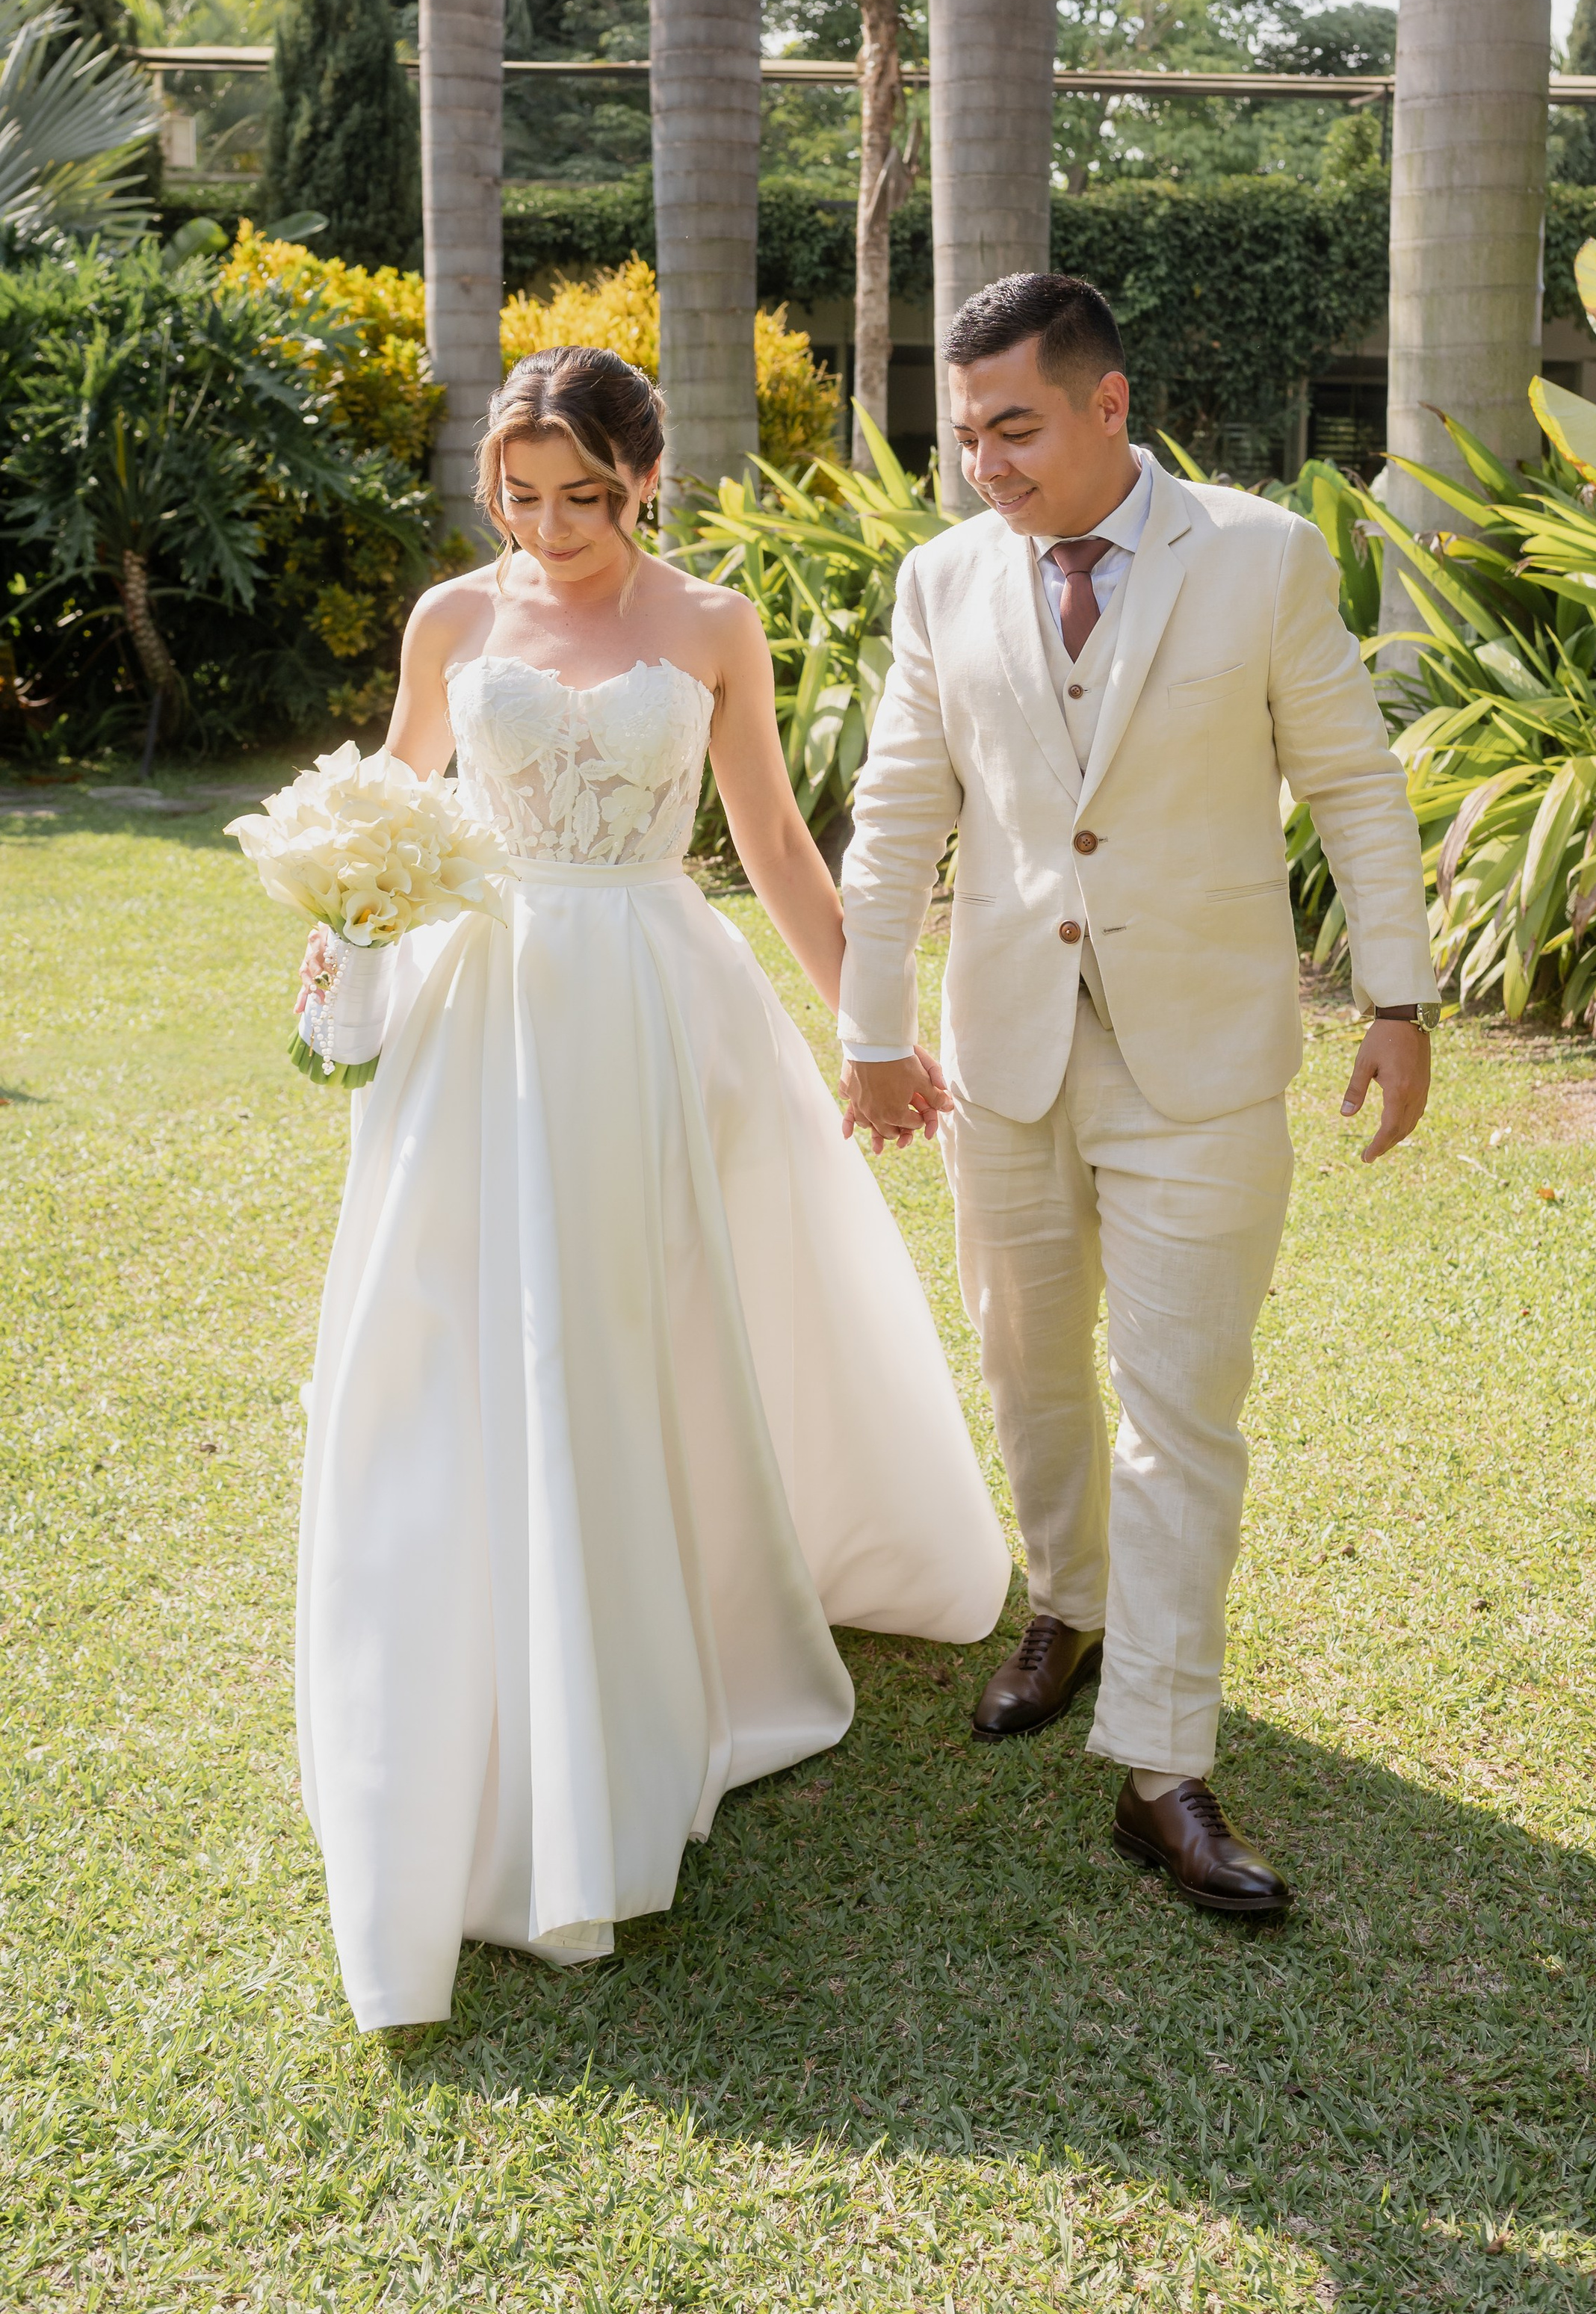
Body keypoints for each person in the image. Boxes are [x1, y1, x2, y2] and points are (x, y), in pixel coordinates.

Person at [296, 346, 1009, 2032]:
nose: (548, 531)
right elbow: (392, 803)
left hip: (650, 996)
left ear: (643, 482)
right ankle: (494, 1633)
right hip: (487, 1016)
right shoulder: (451, 623)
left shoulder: (712, 628)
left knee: (647, 1311)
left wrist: (875, 1026)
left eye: (584, 500)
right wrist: (342, 923)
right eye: (517, 498)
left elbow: (770, 843)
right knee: (475, 1321)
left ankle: (674, 1613)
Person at [838, 273, 1435, 1919]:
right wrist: (871, 1025)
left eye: (1012, 427)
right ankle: (1063, 1600)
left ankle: (1161, 1763)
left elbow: (1349, 782)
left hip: (1204, 1058)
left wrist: (1397, 995)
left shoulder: (1257, 555)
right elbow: (896, 814)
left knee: (1179, 1409)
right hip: (1006, 1049)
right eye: (962, 435)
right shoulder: (940, 578)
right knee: (1027, 1362)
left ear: (1108, 405)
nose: (983, 465)